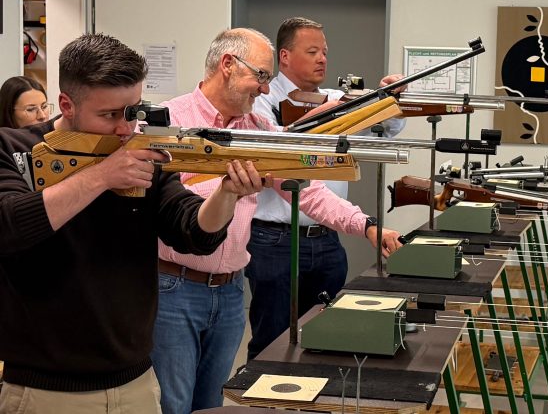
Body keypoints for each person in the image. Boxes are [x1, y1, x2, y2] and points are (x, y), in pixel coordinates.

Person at [0, 33, 266, 414]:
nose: (125, 129)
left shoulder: (136, 156)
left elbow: (191, 229)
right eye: (109, 115)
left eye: (133, 111)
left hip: (136, 386)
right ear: (66, 105)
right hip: (45, 392)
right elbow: (9, 226)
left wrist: (227, 194)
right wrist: (103, 176)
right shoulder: (13, 149)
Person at [150, 28, 401, 414]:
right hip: (174, 288)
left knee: (211, 404)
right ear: (228, 65)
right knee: (173, 404)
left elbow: (309, 192)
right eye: (262, 76)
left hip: (230, 291)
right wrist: (223, 187)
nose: (266, 90)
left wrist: (366, 225)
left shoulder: (259, 128)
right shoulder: (168, 121)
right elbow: (160, 204)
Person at [247, 17, 406, 358]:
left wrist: (391, 98)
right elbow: (276, 147)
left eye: (325, 52)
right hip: (274, 239)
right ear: (285, 56)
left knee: (324, 339)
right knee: (270, 340)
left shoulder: (335, 98)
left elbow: (385, 131)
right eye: (313, 51)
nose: (323, 59)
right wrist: (326, 116)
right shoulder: (260, 99)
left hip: (327, 237)